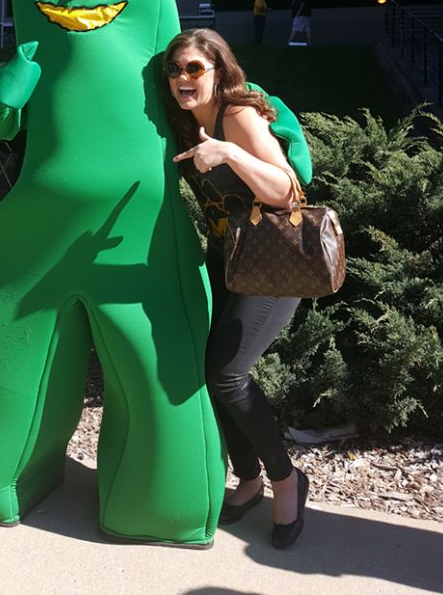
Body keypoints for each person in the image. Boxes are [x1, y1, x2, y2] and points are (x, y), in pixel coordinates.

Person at [162, 27, 309, 549]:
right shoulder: (181, 123)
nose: (183, 78)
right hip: (227, 262)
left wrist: (230, 154)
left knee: (227, 374)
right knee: (211, 372)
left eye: (194, 69)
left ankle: (286, 480)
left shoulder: (236, 115)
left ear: (218, 71)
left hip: (274, 262)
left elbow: (288, 190)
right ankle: (247, 480)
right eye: (176, 69)